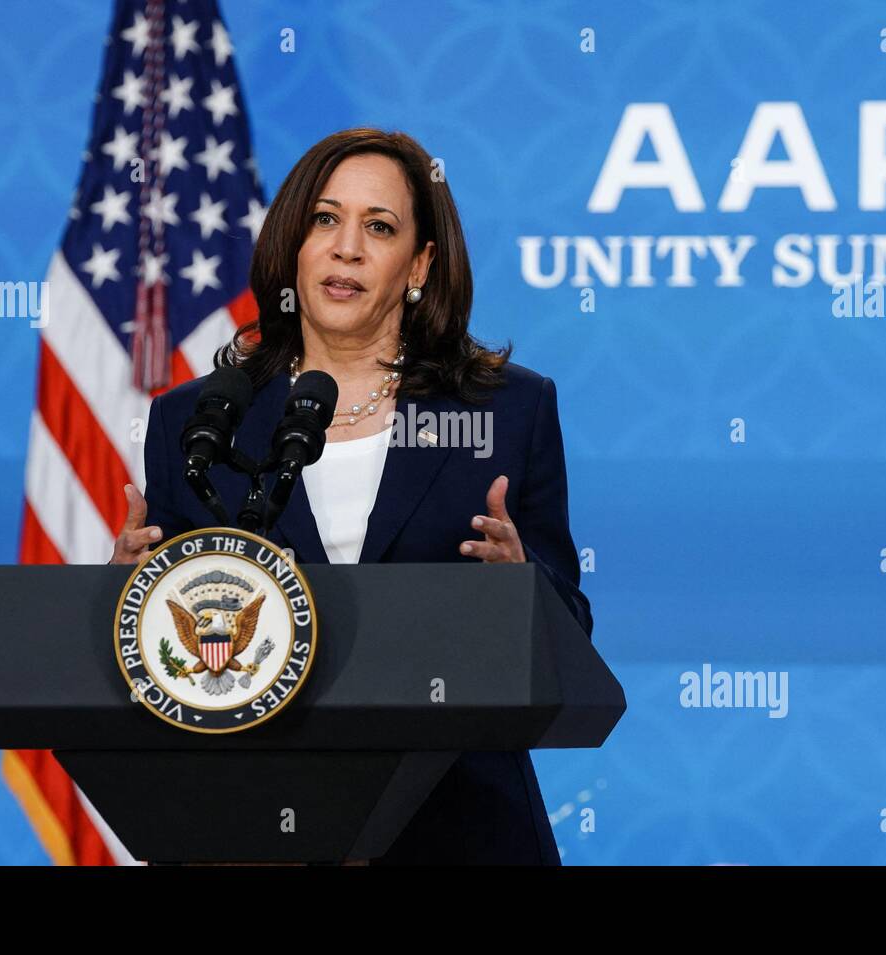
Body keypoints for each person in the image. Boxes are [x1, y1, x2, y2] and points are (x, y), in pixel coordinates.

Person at [110, 128, 592, 865]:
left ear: (420, 264)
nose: (347, 249)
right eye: (325, 220)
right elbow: (176, 657)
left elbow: (573, 635)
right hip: (252, 828)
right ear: (292, 245)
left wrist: (523, 589)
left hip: (459, 829)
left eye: (380, 227)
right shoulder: (198, 421)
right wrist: (127, 595)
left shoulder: (503, 411)